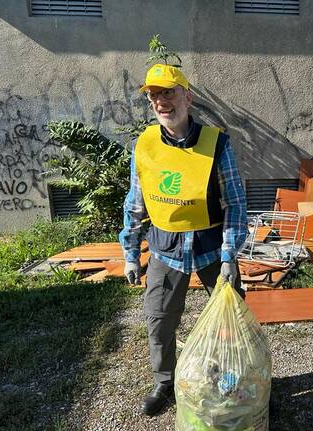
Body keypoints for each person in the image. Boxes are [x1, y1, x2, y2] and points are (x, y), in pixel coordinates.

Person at [119, 64, 248, 416]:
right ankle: (165, 383)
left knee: (230, 324)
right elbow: (135, 203)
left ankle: (235, 382)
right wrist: (131, 254)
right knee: (159, 320)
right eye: (154, 95)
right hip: (165, 251)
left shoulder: (216, 144)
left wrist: (228, 256)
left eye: (168, 92)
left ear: (187, 96)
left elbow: (235, 203)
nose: (161, 101)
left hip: (211, 251)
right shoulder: (144, 147)